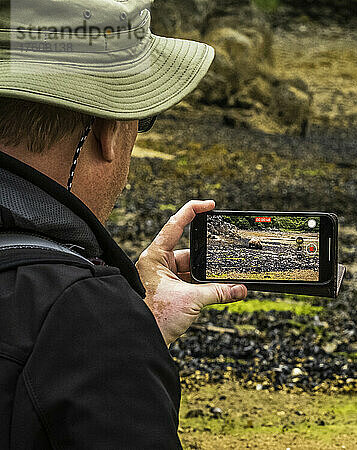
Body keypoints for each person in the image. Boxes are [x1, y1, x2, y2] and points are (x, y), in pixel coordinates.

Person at [0, 0, 247, 447]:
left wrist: (138, 326)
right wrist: (113, 335)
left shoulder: (88, 324)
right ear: (107, 132)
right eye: (143, 120)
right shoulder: (92, 325)